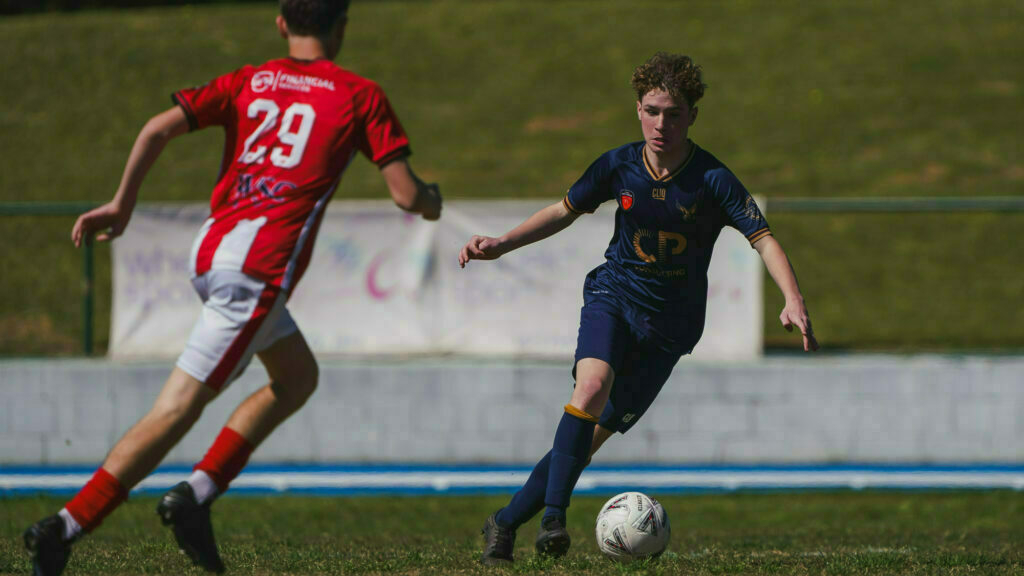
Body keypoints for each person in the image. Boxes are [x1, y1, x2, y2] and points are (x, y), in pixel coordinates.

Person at [23, 1, 441, 574]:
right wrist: (432, 199)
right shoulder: (357, 95)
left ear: (280, 24)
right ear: (341, 26)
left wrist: (123, 203)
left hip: (214, 248)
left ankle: (196, 495)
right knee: (176, 410)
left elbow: (156, 127)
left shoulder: (248, 80)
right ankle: (66, 526)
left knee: (296, 377)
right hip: (257, 272)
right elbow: (405, 195)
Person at [459, 52, 818, 564]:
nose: (661, 124)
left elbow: (763, 239)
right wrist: (501, 244)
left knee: (585, 443)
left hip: (669, 332)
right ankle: (555, 520)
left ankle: (505, 522)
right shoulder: (618, 165)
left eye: (673, 114)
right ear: (637, 109)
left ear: (692, 115)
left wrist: (793, 299)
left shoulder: (713, 180)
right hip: (614, 298)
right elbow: (563, 211)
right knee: (590, 386)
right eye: (652, 111)